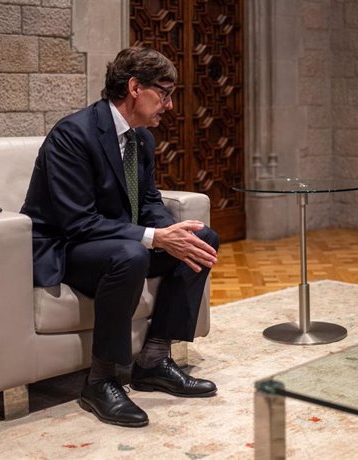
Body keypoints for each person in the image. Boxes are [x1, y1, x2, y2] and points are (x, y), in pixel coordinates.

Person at [21, 47, 220, 427]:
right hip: (67, 248)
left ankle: (154, 360)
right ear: (133, 87)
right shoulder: (73, 134)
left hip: (117, 243)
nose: (169, 104)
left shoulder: (141, 140)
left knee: (202, 239)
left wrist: (169, 232)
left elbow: (148, 202)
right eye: (163, 92)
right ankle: (100, 381)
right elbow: (77, 222)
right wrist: (154, 238)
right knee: (131, 254)